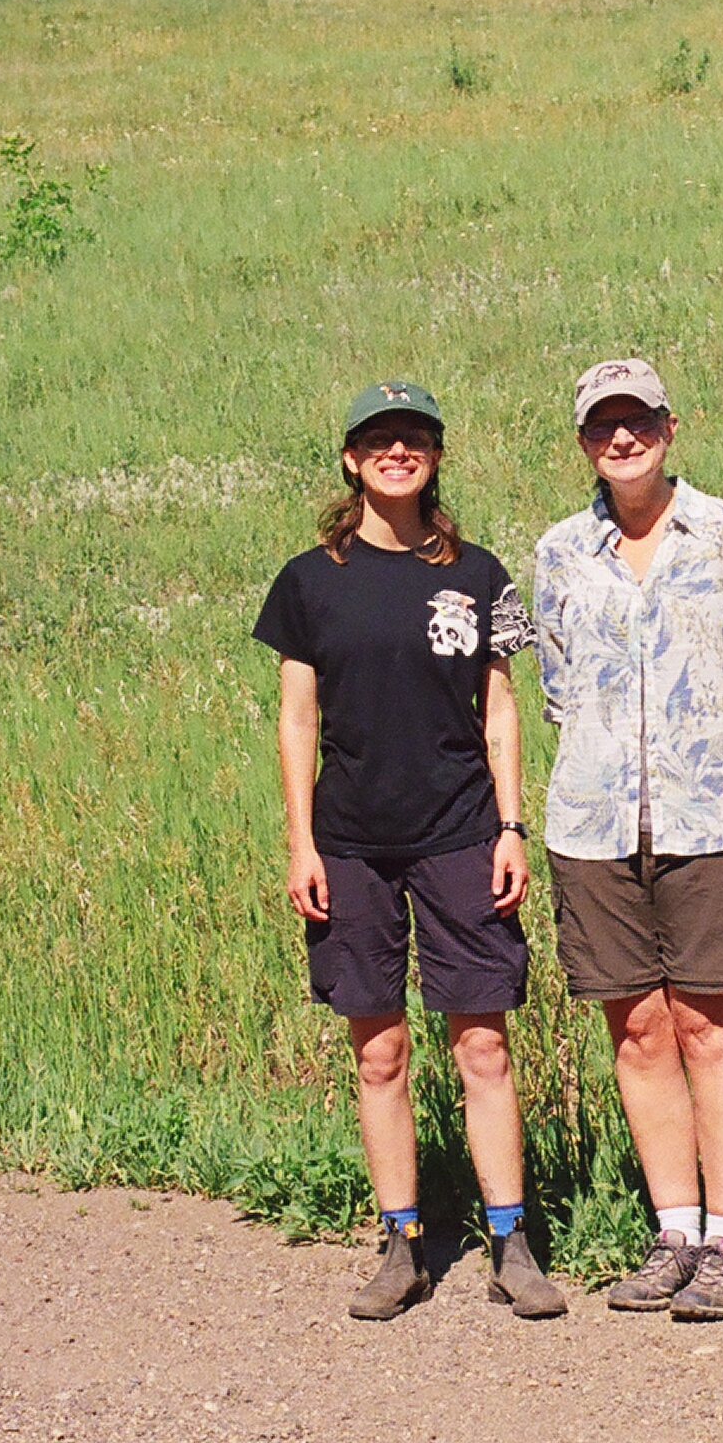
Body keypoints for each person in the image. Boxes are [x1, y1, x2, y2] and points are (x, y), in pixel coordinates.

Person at [251, 379, 568, 1323]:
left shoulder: (477, 573)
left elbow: (501, 710)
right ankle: (403, 1241)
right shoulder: (309, 582)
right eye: (378, 440)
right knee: (379, 1050)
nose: (397, 453)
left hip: (463, 832)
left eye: (414, 439)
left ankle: (512, 1241)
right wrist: (301, 841)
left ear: (435, 457)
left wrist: (512, 827)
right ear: (350, 459)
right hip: (350, 842)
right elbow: (296, 716)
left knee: (482, 1041)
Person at [531, 358, 723, 1322]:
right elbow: (558, 686)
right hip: (594, 819)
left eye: (638, 420)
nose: (622, 438)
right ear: (585, 441)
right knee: (636, 1029)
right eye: (604, 425)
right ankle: (673, 1229)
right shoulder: (560, 552)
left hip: (716, 815)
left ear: (671, 427)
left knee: (711, 1027)